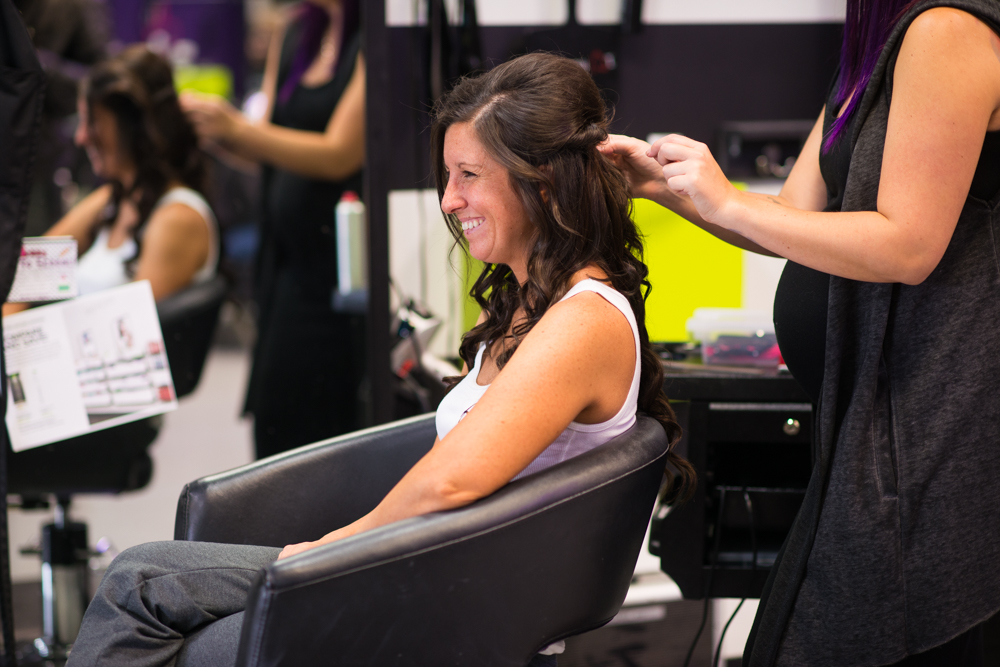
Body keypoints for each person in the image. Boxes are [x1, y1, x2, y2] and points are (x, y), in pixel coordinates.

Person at [65, 52, 696, 667]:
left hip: (442, 609)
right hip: (420, 582)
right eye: (448, 177)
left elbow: (450, 483)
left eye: (468, 175)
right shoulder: (522, 299)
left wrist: (319, 553)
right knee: (151, 598)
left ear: (544, 179)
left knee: (139, 582)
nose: (449, 201)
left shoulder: (583, 319)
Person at [603, 0, 1000, 664]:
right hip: (858, 439)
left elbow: (910, 243)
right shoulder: (880, 46)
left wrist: (724, 197)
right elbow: (789, 213)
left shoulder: (949, 31)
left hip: (931, 449)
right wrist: (660, 187)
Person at [180, 0, 365, 460]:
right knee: (275, 416)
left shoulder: (373, 41)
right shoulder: (296, 33)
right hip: (282, 264)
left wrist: (234, 126)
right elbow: (267, 145)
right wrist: (215, 134)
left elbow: (340, 152)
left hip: (337, 270)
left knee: (318, 426)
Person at [3, 45, 217, 316]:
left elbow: (131, 337)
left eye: (93, 123)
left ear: (134, 127)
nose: (81, 138)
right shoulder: (112, 200)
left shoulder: (178, 218)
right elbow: (30, 277)